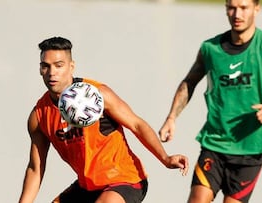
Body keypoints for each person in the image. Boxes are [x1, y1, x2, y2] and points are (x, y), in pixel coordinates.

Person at [159, 0, 262, 203]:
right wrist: (172, 117)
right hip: (215, 142)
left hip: (251, 148)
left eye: (244, 7)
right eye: (232, 7)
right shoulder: (210, 49)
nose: (237, 14)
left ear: (257, 8)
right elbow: (189, 82)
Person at [18, 36, 189, 203]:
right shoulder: (39, 116)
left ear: (71, 67)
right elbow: (35, 168)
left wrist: (165, 159)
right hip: (87, 187)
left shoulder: (97, 95)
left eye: (59, 65)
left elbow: (136, 125)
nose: (51, 72)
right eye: (45, 66)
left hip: (125, 180)